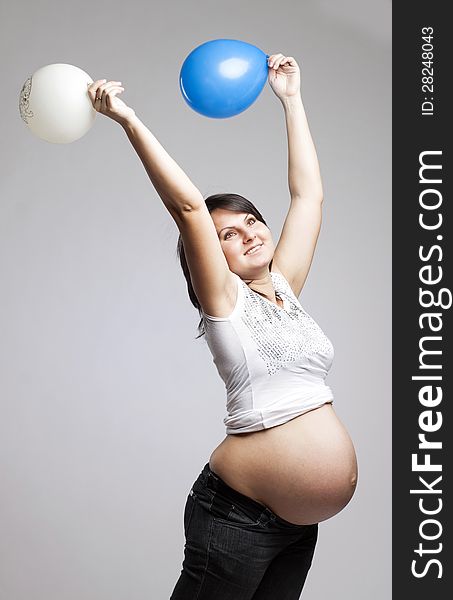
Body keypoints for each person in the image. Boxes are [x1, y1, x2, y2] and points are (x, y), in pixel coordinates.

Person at [88, 52, 358, 600]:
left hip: (295, 527)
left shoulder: (285, 288)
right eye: (227, 235)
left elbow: (309, 195)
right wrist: (128, 119)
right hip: (236, 519)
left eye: (251, 221)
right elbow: (188, 208)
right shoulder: (225, 304)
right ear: (210, 258)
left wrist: (290, 100)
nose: (250, 234)